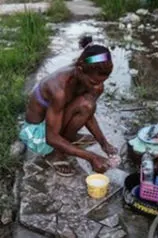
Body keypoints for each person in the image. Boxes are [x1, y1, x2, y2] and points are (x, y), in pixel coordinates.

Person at [19, 36, 118, 177]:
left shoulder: (89, 79)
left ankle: (67, 138)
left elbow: (88, 113)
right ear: (79, 69)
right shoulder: (58, 89)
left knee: (87, 105)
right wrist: (91, 157)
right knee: (85, 105)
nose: (98, 87)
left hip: (54, 119)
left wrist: (103, 143)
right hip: (39, 134)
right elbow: (51, 137)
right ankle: (54, 154)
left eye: (102, 82)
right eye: (93, 82)